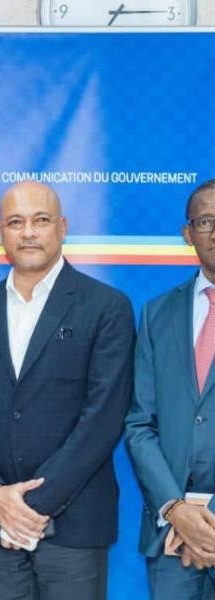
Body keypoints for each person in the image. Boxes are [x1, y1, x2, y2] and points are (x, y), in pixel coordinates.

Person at [0, 181, 135, 599]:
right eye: (15, 222)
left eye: (40, 220)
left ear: (62, 227)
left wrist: (28, 508)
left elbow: (103, 419)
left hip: (75, 526)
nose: (28, 232)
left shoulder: (106, 307)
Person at [126, 179, 215, 599]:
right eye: (205, 221)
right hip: (171, 537)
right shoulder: (157, 314)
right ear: (187, 233)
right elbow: (139, 425)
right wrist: (177, 511)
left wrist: (206, 524)